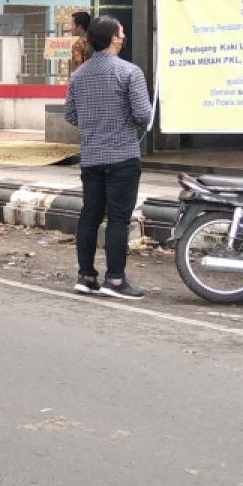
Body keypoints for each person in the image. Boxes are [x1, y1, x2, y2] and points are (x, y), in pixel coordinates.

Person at [63, 15, 153, 300]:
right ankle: (115, 279)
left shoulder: (79, 75)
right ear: (114, 38)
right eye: (121, 32)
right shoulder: (129, 72)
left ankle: (86, 275)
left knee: (89, 215)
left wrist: (94, 124)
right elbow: (143, 115)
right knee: (118, 219)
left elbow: (70, 114)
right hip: (122, 156)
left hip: (91, 157)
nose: (124, 35)